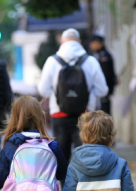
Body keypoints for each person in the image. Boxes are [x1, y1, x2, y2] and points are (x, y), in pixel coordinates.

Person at [38, 28, 108, 162]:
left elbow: (43, 90)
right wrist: (89, 96)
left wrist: (58, 96)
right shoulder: (91, 61)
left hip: (59, 114)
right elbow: (102, 90)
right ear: (79, 42)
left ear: (62, 42)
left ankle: (65, 183)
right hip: (85, 115)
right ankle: (82, 183)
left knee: (62, 157)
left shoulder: (52, 61)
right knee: (84, 157)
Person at [89, 35, 117, 115]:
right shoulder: (93, 55)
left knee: (104, 111)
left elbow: (106, 74)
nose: (92, 45)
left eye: (94, 43)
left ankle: (105, 127)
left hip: (105, 88)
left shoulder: (104, 56)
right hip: (97, 89)